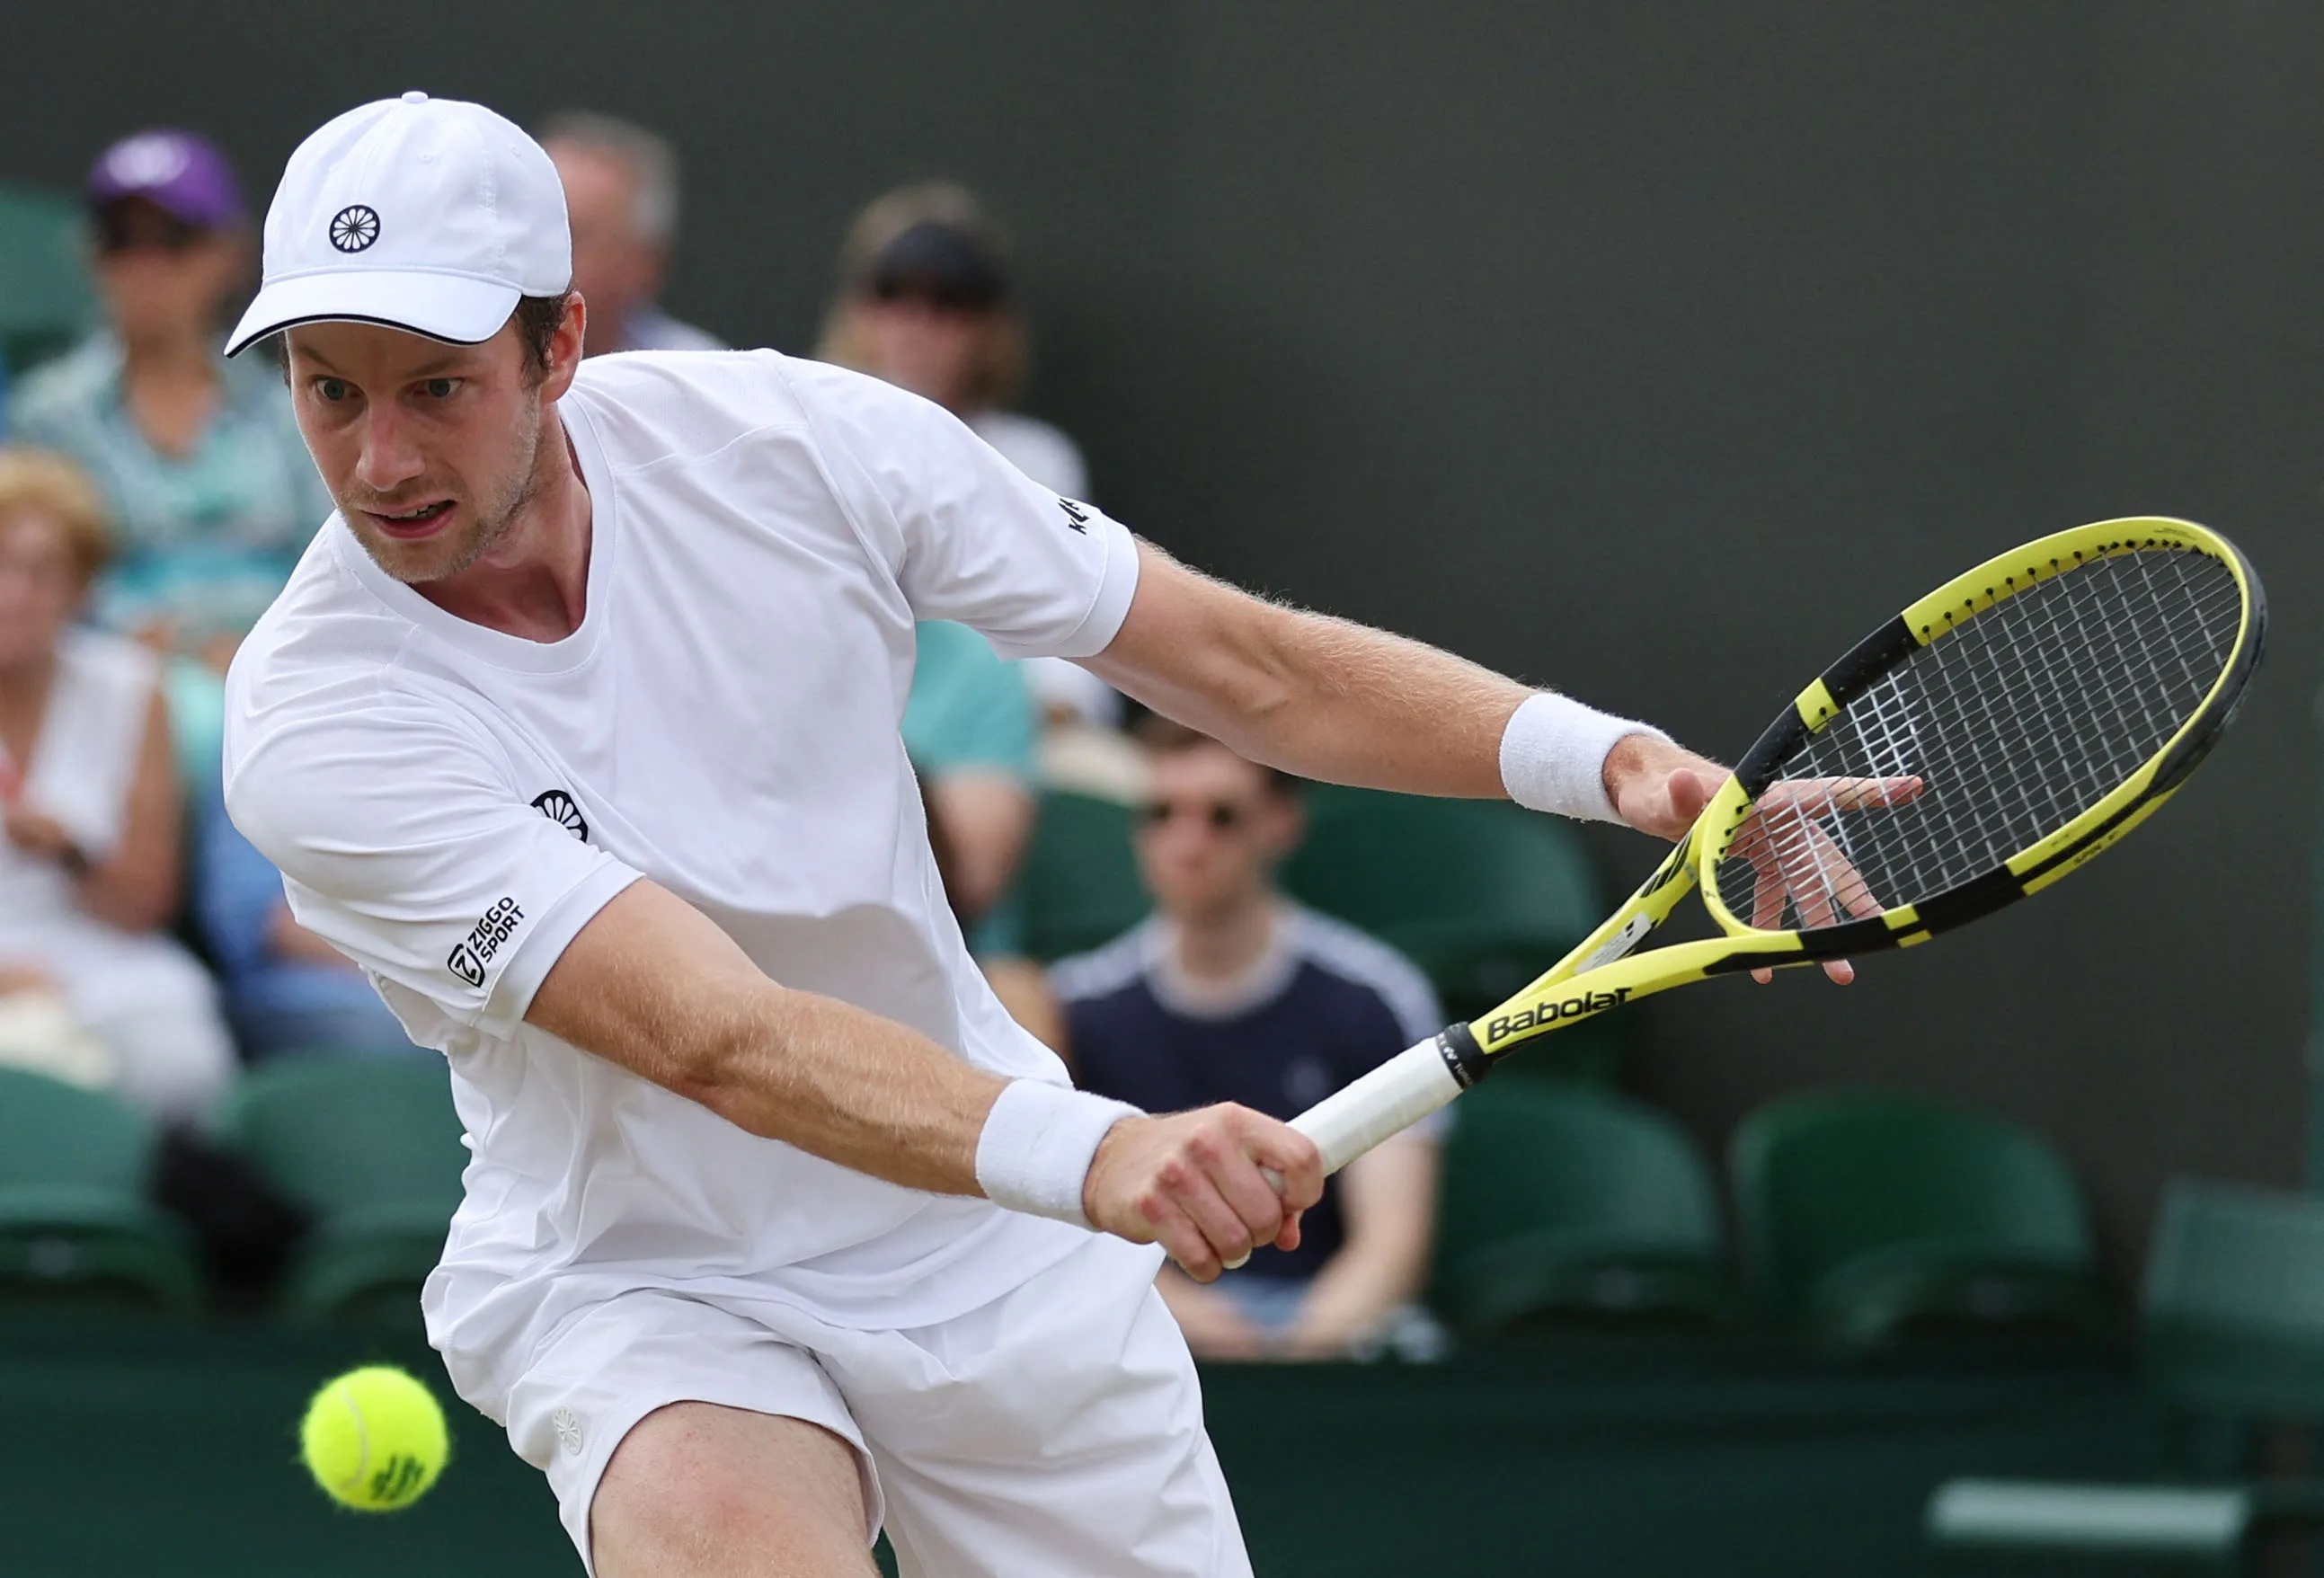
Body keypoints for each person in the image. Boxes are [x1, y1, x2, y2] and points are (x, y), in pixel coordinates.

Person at [219, 93, 1870, 1578]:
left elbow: (1250, 669)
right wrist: (1104, 1150)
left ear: (560, 345)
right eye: (327, 391)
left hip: (992, 1247)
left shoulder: (800, 445)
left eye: (437, 389)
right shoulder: (319, 722)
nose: (380, 460)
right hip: (652, 1277)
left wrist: (1629, 767)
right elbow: (717, 1039)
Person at [1053, 723, 1446, 1361]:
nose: (1188, 843)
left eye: (1222, 817)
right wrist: (1197, 1325)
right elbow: (1071, 1225)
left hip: (1336, 1340)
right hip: (1146, 1330)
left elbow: (1391, 1245)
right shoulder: (1080, 1006)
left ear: (1280, 825)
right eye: (1161, 814)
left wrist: (1295, 1354)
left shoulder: (1373, 998)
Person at [7, 129, 330, 669]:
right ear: (92, 253)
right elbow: (34, 572)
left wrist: (261, 646)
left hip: (284, 664)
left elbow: (331, 555)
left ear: (229, 254)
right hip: (106, 676)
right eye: (121, 239)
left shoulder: (291, 405)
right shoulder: (47, 416)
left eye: (173, 238)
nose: (146, 264)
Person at [817, 182, 1126, 738]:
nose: (917, 323)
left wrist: (978, 724)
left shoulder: (1034, 458)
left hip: (994, 741)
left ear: (990, 326)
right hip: (832, 730)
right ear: (857, 310)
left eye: (950, 299)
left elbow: (1073, 659)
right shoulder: (803, 438)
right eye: (892, 292)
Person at [0, 447, 235, 1121]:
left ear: (81, 588)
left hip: (103, 959)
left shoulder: (131, 687)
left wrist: (69, 851)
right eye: (1, 565)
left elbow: (144, 904)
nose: (16, 595)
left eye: (43, 572)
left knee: (183, 1065)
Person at [538, 111, 723, 357]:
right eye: (531, 229)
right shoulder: (474, 355)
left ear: (643, 264)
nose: (538, 251)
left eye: (573, 236)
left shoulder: (698, 378)